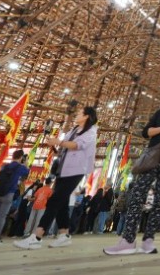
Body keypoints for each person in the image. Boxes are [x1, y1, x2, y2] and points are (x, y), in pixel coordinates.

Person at [105, 83, 160, 255]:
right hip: (152, 159)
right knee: (137, 196)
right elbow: (146, 132)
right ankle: (128, 240)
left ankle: (148, 240)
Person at [14, 105, 98, 249]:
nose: (77, 115)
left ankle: (37, 236)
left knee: (54, 201)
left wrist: (58, 142)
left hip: (76, 170)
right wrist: (55, 145)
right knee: (62, 203)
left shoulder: (91, 132)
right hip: (62, 169)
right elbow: (64, 146)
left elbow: (77, 145)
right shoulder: (73, 130)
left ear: (87, 116)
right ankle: (64, 234)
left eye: (79, 113)